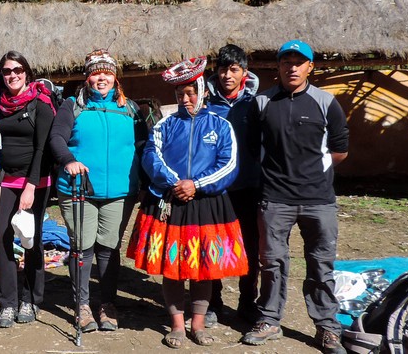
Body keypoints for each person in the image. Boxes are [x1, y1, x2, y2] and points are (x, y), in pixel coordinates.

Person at [126, 56, 248, 348]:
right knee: (173, 267)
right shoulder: (165, 125)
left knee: (202, 267)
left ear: (203, 90)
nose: (186, 97)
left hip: (206, 203)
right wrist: (175, 183)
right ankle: (177, 325)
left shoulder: (220, 126)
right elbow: (151, 157)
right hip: (171, 202)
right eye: (181, 93)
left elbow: (228, 164)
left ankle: (198, 323)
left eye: (191, 91)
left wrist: (197, 184)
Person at [240, 40, 349, 354]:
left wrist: (314, 171)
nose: (292, 67)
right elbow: (252, 146)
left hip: (319, 200)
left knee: (321, 265)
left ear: (310, 67)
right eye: (286, 61)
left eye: (299, 62)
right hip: (275, 199)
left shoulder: (326, 103)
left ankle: (327, 328)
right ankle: (269, 319)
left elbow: (340, 150)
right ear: (278, 66)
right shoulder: (262, 103)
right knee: (272, 263)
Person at [48, 49, 146, 333]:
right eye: (95, 73)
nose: (101, 78)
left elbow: (143, 146)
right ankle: (82, 305)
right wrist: (69, 160)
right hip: (79, 188)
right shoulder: (72, 106)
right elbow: (57, 138)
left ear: (115, 77)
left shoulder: (131, 109)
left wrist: (144, 183)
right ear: (88, 77)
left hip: (119, 191)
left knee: (109, 247)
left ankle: (107, 304)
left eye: (107, 72)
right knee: (82, 247)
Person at [0, 51, 56, 328]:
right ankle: (7, 302)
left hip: (36, 181)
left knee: (31, 239)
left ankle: (30, 298)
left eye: (17, 70)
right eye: (7, 71)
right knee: (1, 237)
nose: (12, 75)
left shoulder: (41, 103)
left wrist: (30, 186)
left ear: (27, 72)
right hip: (6, 180)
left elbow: (43, 148)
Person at [205, 44, 261, 324]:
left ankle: (247, 301)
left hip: (249, 186)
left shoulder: (255, 105)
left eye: (234, 69)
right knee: (214, 244)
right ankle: (213, 302)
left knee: (250, 247)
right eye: (223, 69)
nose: (228, 75)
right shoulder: (206, 105)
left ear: (244, 73)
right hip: (216, 189)